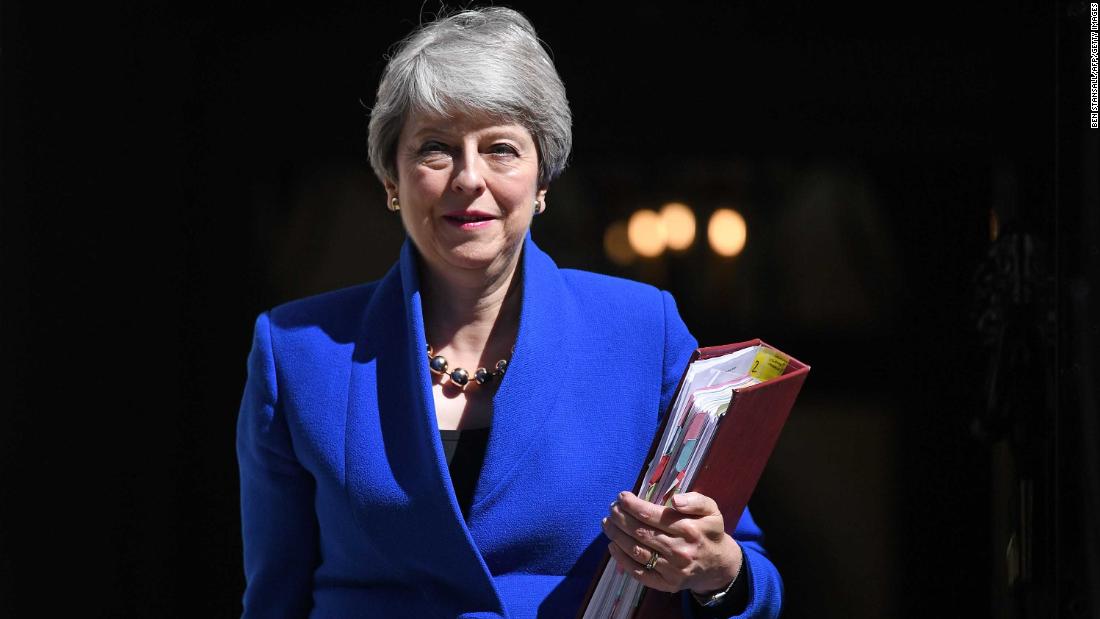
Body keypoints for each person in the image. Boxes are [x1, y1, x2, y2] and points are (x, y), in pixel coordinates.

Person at [236, 7, 783, 618]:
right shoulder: (296, 350)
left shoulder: (639, 330)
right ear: (392, 177)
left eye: (500, 148)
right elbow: (273, 595)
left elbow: (750, 576)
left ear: (542, 178)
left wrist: (716, 570)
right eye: (435, 150)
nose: (469, 178)